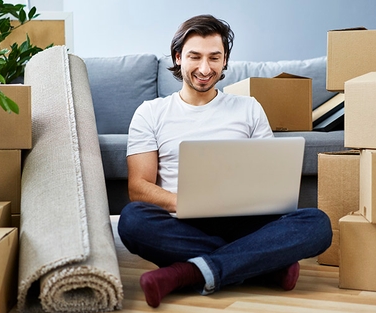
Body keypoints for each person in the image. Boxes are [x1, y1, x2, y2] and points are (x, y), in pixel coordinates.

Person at [118, 14, 332, 308]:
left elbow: (270, 177)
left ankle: (188, 272)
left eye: (214, 58)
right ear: (178, 57)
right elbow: (139, 187)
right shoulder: (150, 112)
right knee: (132, 220)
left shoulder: (249, 108)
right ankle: (265, 264)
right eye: (195, 57)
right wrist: (186, 202)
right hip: (182, 222)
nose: (205, 69)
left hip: (246, 222)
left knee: (317, 224)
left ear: (225, 60)